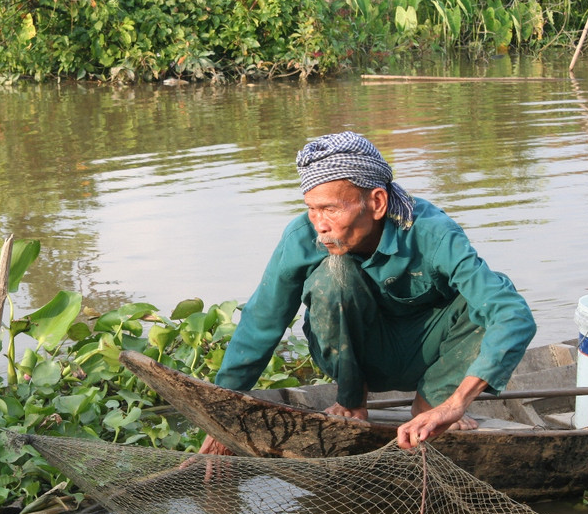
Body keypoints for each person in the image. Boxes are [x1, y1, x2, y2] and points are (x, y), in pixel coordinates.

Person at [199, 131, 536, 453]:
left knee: (491, 294)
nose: (320, 224)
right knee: (334, 274)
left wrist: (455, 403)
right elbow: (261, 323)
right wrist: (221, 418)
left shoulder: (432, 232)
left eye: (331, 209)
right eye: (312, 209)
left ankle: (430, 403)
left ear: (376, 203)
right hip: (357, 358)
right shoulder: (302, 236)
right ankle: (351, 400)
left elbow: (513, 314)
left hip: (429, 355)